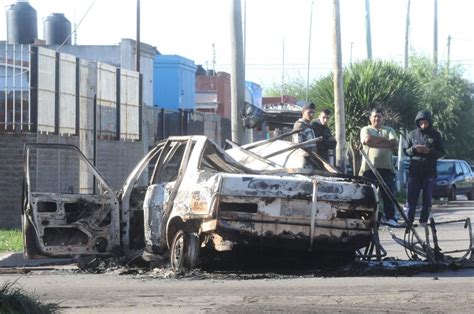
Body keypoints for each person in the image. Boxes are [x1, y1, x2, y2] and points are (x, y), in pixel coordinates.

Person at [359, 108, 399, 226]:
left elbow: (394, 142)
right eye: (374, 116)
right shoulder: (366, 129)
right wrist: (384, 140)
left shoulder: (389, 129)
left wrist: (375, 142)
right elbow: (367, 140)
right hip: (369, 169)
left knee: (388, 194)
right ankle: (367, 218)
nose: (377, 118)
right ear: (370, 118)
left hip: (387, 169)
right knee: (369, 195)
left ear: (383, 118)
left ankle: (390, 218)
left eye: (379, 116)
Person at [405, 110, 445, 226]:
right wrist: (413, 149)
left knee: (427, 198)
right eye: (421, 123)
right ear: (418, 122)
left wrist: (429, 151)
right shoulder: (412, 135)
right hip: (415, 171)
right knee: (412, 197)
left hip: (429, 172)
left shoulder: (435, 135)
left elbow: (441, 152)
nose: (423, 125)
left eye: (425, 123)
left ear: (429, 122)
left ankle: (423, 220)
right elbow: (405, 151)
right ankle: (409, 221)